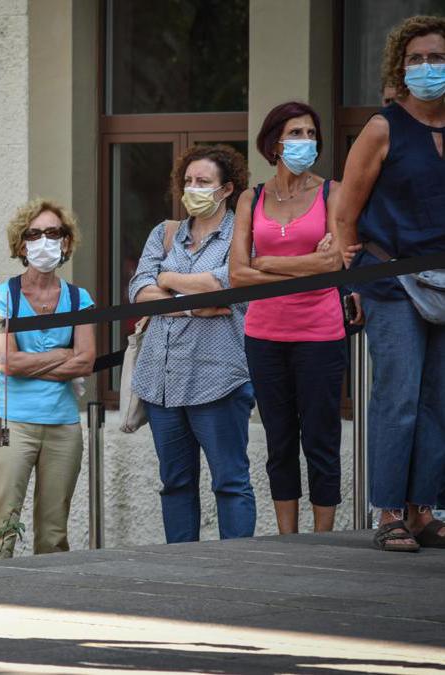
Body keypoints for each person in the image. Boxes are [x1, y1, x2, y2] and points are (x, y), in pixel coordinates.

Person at [333, 15, 445, 552]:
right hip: (391, 280)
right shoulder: (383, 127)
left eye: (437, 57)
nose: (427, 67)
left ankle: (425, 508)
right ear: (401, 67)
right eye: (417, 58)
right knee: (397, 396)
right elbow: (344, 215)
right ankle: (389, 511)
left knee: (438, 399)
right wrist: (353, 283)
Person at [230, 102, 348, 535]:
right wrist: (303, 263)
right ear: (274, 142)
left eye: (310, 133)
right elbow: (237, 272)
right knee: (279, 441)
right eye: (295, 133)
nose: (305, 141)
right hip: (264, 333)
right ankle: (287, 539)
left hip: (320, 331)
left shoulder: (332, 192)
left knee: (320, 438)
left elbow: (334, 263)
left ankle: (323, 540)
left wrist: (267, 263)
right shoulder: (252, 197)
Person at [129, 144, 255, 544]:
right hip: (161, 381)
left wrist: (168, 280)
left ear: (227, 189)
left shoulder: (243, 234)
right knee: (175, 483)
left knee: (230, 482)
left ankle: (236, 569)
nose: (193, 188)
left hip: (218, 379)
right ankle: (182, 568)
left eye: (203, 182)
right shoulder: (164, 234)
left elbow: (224, 284)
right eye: (188, 181)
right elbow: (138, 289)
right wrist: (190, 307)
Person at [0, 199, 95, 558]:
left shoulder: (79, 298)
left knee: (53, 535)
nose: (43, 241)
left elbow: (86, 361)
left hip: (63, 425)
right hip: (11, 422)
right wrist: (63, 355)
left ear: (66, 242)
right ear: (21, 244)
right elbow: (8, 362)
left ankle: (49, 606)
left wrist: (35, 361)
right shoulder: (4, 296)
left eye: (53, 233)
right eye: (34, 234)